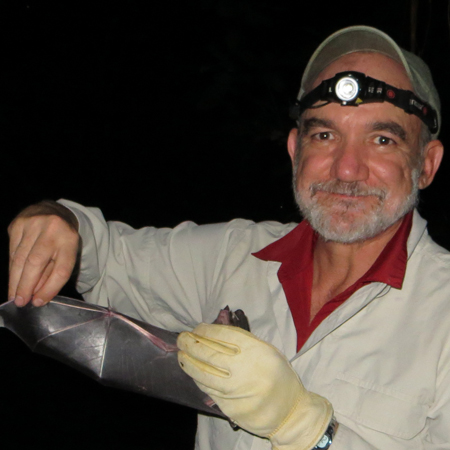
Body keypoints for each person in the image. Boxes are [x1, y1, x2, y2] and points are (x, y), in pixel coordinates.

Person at [7, 25, 450, 449]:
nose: (346, 168)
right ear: (296, 150)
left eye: (382, 140)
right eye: (325, 134)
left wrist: (307, 429)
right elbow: (103, 256)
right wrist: (57, 219)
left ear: (427, 164)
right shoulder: (235, 257)